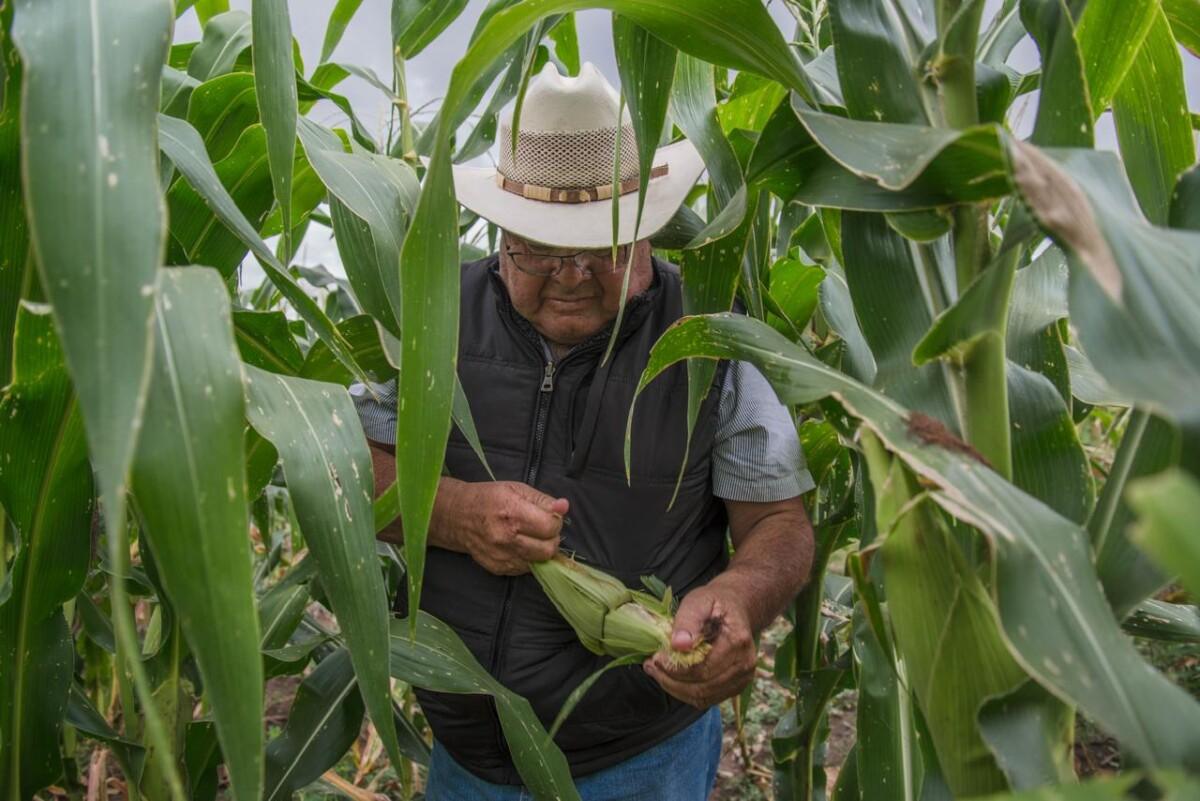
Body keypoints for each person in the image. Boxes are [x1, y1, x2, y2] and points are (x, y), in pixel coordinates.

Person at [352, 62, 816, 801]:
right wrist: (458, 514)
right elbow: (351, 470)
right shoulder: (432, 311)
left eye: (602, 249)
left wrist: (739, 597)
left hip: (640, 762)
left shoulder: (709, 339)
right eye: (537, 249)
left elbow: (780, 523)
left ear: (647, 231)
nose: (569, 275)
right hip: (466, 760)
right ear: (499, 229)